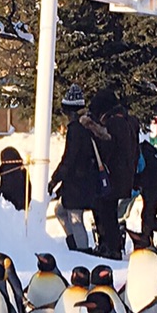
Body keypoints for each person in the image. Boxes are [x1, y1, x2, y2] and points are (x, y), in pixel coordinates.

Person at [47, 84, 110, 252]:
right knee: (61, 211)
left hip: (77, 182)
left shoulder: (75, 130)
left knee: (75, 217)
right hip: (86, 180)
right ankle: (74, 244)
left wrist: (55, 179)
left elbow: (69, 158)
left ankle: (82, 250)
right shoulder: (88, 127)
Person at [85, 88, 139, 257]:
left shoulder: (114, 123)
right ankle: (111, 245)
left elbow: (110, 147)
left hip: (113, 176)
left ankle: (111, 247)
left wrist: (96, 134)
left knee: (107, 211)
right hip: (125, 175)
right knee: (110, 212)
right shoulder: (127, 121)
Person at [0, 143, 30, 211]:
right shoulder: (21, 169)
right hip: (24, 207)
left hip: (13, 207)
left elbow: (8, 189)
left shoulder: (9, 170)